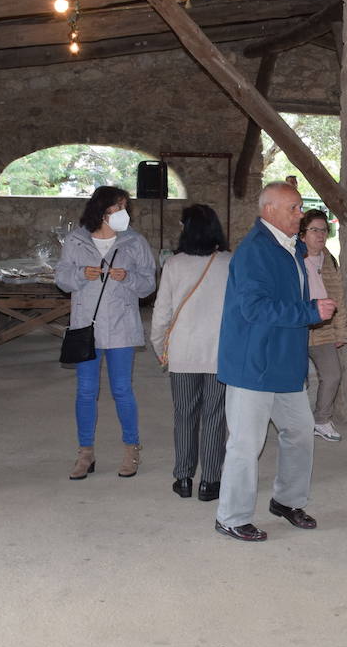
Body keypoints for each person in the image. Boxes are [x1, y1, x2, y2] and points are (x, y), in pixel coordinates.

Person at [214, 182, 336, 542]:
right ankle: (230, 517)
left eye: (300, 208)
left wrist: (308, 311)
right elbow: (254, 307)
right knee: (245, 445)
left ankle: (287, 501)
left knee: (300, 434)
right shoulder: (255, 251)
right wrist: (308, 310)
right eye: (294, 208)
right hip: (253, 363)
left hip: (285, 361)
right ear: (269, 211)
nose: (301, 214)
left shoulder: (292, 247)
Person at [56, 187, 158, 480]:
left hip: (122, 327)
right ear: (101, 211)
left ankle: (131, 448)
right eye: (117, 208)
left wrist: (129, 278)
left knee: (122, 390)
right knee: (86, 392)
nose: (123, 213)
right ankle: (85, 452)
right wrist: (79, 275)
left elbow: (148, 283)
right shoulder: (76, 240)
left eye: (125, 207)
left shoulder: (135, 241)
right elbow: (62, 279)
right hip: (86, 327)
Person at [152, 204, 231, 501]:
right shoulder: (229, 263)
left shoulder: (174, 264)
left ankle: (183, 478)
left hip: (183, 355)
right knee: (214, 417)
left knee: (184, 415)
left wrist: (161, 348)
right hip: (218, 354)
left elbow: (161, 314)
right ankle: (210, 482)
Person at [301, 208, 347, 441]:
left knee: (332, 375)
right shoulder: (292, 258)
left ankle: (321, 420)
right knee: (298, 381)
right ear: (302, 234)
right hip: (297, 329)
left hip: (323, 329)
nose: (320, 235)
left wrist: (341, 330)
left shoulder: (329, 259)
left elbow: (338, 296)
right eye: (314, 230)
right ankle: (296, 424)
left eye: (324, 230)